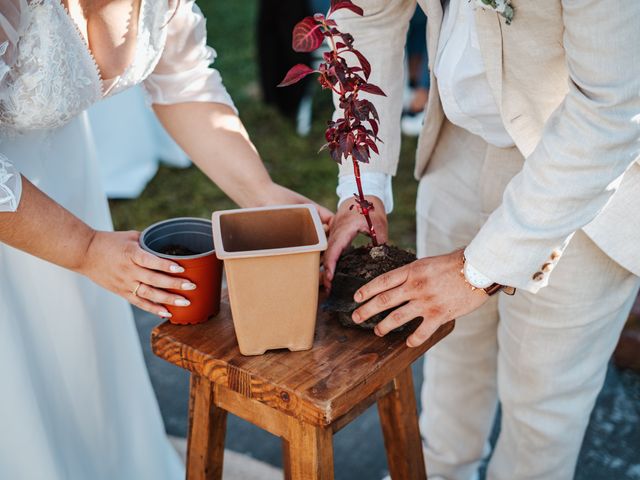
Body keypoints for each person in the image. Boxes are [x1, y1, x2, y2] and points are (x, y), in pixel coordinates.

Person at [0, 1, 331, 478]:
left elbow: (185, 83)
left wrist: (262, 194)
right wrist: (84, 248)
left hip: (70, 186)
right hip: (18, 219)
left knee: (79, 376)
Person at [324, 0, 640, 479]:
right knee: (447, 363)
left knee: (542, 410)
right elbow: (368, 15)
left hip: (582, 177)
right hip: (458, 142)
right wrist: (361, 186)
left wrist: (476, 271)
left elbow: (611, 109)